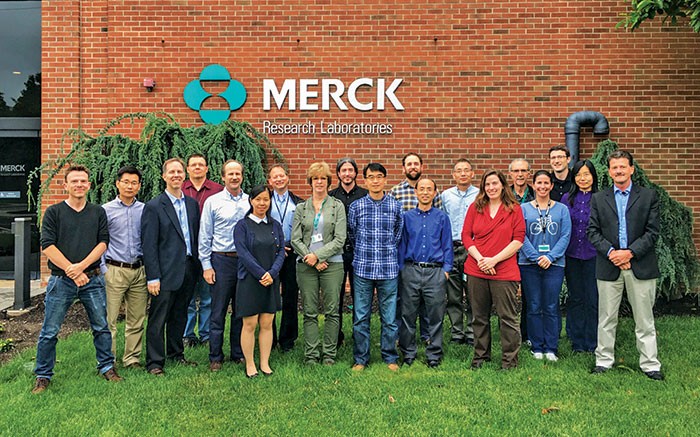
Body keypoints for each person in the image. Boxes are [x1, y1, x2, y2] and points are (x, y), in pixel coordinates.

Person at [33, 165, 122, 394]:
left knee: (101, 327)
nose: (79, 185)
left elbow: (103, 242)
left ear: (89, 185)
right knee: (49, 331)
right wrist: (72, 271)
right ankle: (43, 375)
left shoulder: (97, 212)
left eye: (83, 181)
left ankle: (106, 367)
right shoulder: (53, 212)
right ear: (65, 185)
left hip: (92, 279)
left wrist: (81, 268)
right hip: (61, 281)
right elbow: (47, 246)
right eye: (74, 181)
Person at [587, 150, 663, 380]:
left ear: (631, 169)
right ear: (609, 171)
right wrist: (613, 253)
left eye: (623, 166)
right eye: (614, 167)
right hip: (609, 265)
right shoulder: (599, 198)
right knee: (607, 317)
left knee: (644, 319)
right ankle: (603, 361)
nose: (619, 171)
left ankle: (650, 364)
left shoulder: (649, 196)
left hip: (640, 265)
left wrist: (630, 253)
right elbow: (593, 231)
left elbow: (652, 232)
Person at [142, 158, 201, 375]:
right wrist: (153, 277)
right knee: (159, 318)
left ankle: (176, 354)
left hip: (187, 268)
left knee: (180, 315)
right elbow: (149, 245)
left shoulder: (192, 205)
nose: (176, 175)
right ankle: (155, 362)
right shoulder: (154, 206)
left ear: (184, 176)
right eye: (172, 172)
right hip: (164, 272)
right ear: (164, 176)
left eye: (179, 172)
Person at [462, 170, 525, 370]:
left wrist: (494, 260)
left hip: (504, 270)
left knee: (507, 318)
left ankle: (509, 361)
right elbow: (466, 235)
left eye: (495, 183)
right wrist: (481, 259)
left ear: (503, 185)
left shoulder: (514, 209)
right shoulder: (475, 207)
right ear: (483, 187)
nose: (491, 188)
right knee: (479, 317)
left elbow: (518, 239)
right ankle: (480, 357)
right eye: (487, 184)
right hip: (476, 269)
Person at [349, 163, 403, 372]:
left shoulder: (395, 206)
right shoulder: (357, 207)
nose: (375, 181)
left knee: (389, 319)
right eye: (371, 177)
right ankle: (361, 358)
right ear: (365, 181)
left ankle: (390, 357)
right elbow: (353, 235)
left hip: (388, 269)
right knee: (361, 317)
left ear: (385, 180)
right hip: (363, 268)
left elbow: (397, 234)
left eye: (379, 176)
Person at [291, 162, 346, 365]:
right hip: (306, 266)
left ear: (329, 182)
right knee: (310, 311)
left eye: (323, 178)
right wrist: (312, 260)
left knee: (332, 311)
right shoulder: (301, 208)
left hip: (333, 265)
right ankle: (311, 354)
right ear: (310, 182)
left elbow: (340, 238)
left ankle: (329, 354)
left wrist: (319, 256)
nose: (319, 182)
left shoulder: (337, 206)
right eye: (315, 178)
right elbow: (295, 239)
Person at [198, 159, 248, 372]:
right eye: (230, 174)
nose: (234, 177)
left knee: (241, 311)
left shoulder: (250, 201)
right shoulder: (213, 201)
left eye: (238, 173)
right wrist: (206, 265)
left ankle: (238, 353)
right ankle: (215, 356)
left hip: (244, 262)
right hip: (221, 260)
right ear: (223, 177)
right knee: (217, 311)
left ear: (242, 176)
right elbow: (205, 235)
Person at [398, 178, 452, 367]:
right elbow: (402, 244)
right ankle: (408, 353)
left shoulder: (442, 218)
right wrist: (402, 270)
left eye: (429, 189)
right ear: (416, 192)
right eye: (422, 189)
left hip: (435, 272)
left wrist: (446, 270)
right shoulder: (406, 217)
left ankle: (434, 354)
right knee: (408, 315)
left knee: (435, 315)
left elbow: (447, 246)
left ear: (435, 192)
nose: (425, 192)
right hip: (411, 270)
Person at [518, 171, 571, 362]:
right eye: (538, 182)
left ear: (551, 186)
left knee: (550, 305)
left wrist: (550, 256)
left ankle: (551, 346)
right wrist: (535, 256)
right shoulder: (523, 209)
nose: (542, 186)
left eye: (546, 183)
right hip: (528, 264)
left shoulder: (561, 209)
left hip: (555, 264)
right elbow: (520, 235)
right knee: (533, 305)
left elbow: (565, 236)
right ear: (533, 185)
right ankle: (536, 345)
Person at [234, 185, 285, 378]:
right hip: (249, 280)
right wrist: (260, 273)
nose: (262, 203)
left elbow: (281, 251)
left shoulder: (274, 225)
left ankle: (264, 362)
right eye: (258, 199)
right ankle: (250, 364)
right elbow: (243, 253)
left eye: (266, 199)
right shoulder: (242, 225)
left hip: (270, 280)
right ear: (251, 201)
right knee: (250, 324)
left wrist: (271, 273)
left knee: (267, 322)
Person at [388, 152, 441, 342]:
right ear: (403, 169)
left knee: (427, 302)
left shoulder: (434, 192)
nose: (413, 167)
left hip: (428, 256)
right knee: (404, 299)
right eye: (409, 164)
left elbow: (439, 221)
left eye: (416, 164)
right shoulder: (395, 192)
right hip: (406, 254)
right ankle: (402, 336)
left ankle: (427, 336)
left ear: (421, 167)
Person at [102, 165, 147, 369]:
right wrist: (103, 269)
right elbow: (100, 241)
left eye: (134, 183)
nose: (130, 186)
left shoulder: (145, 210)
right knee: (109, 320)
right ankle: (107, 360)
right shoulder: (106, 210)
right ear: (117, 184)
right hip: (114, 269)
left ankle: (132, 359)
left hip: (139, 270)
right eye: (126, 182)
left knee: (136, 319)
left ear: (139, 186)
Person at [182, 154, 223, 347]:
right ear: (188, 169)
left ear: (207, 168)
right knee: (188, 298)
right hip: (187, 253)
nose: (197, 168)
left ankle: (205, 335)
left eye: (201, 165)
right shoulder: (180, 189)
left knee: (207, 297)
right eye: (193, 165)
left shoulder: (218, 191)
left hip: (210, 252)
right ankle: (188, 334)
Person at [328, 157, 368, 348]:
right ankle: (337, 336)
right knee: (336, 297)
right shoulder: (331, 197)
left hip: (359, 253)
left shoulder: (365, 195)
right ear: (338, 174)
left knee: (359, 296)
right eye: (343, 170)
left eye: (350, 170)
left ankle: (358, 335)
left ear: (355, 173)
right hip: (337, 253)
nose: (347, 174)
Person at [561, 160, 599, 353]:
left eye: (586, 174)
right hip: (572, 255)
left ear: (593, 176)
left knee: (592, 298)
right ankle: (576, 340)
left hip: (594, 256)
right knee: (576, 297)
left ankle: (592, 340)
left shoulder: (601, 198)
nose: (582, 178)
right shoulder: (567, 199)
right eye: (578, 175)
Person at [439, 158, 478, 346]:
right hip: (451, 248)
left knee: (472, 293)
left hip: (473, 249)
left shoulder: (480, 195)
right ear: (453, 175)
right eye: (459, 171)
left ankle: (472, 332)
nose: (463, 174)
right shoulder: (445, 196)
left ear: (472, 174)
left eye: (466, 170)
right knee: (453, 294)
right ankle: (457, 332)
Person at [268, 164, 302, 352]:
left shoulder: (298, 202)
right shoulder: (265, 201)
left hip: (292, 253)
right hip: (271, 255)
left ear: (287, 178)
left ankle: (288, 340)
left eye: (282, 176)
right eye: (275, 177)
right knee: (270, 296)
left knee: (290, 296)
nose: (279, 179)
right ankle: (270, 338)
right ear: (270, 181)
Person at [508, 157, 533, 344]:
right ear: (510, 174)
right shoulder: (503, 195)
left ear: (529, 174)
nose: (520, 175)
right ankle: (509, 334)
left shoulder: (536, 193)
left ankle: (527, 334)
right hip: (508, 251)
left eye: (523, 171)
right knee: (508, 295)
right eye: (516, 171)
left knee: (529, 294)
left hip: (530, 251)